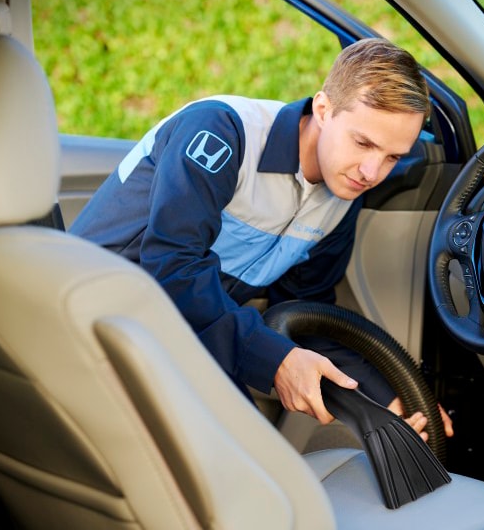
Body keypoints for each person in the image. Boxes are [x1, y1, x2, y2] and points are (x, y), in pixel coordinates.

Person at [70, 38, 453, 441]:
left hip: (180, 337)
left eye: (392, 156)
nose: (372, 171)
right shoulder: (222, 131)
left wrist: (388, 400)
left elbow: (304, 311)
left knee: (258, 455)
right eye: (363, 143)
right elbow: (172, 267)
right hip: (96, 319)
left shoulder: (343, 195)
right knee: (249, 457)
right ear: (323, 109)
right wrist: (275, 360)